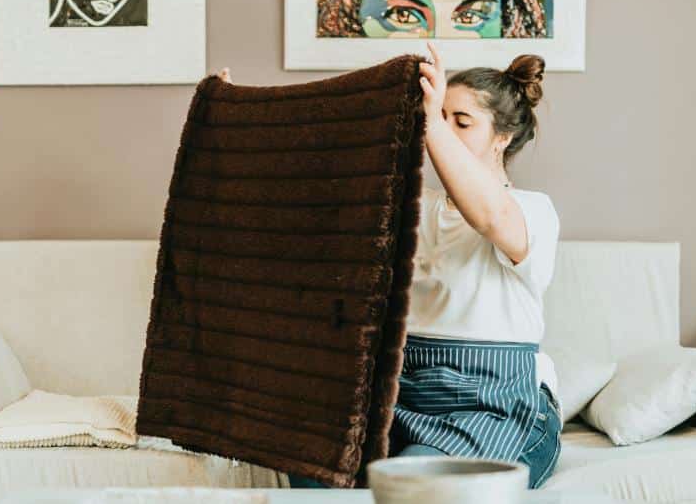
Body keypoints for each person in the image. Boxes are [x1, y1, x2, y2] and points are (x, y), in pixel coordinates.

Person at [214, 40, 562, 490]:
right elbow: (306, 199)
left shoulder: (532, 210)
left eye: (461, 121)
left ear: (503, 136)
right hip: (403, 395)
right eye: (436, 119)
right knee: (313, 466)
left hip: (494, 405)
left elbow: (491, 217)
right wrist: (233, 131)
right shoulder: (412, 205)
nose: (442, 130)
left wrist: (432, 126)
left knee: (414, 482)